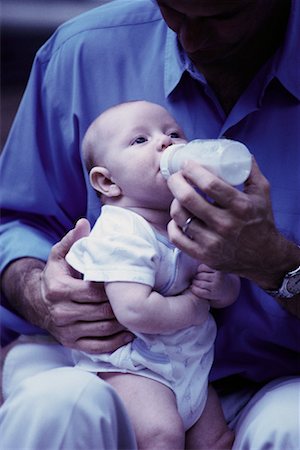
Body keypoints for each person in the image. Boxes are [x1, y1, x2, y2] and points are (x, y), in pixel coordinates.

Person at [0, 0, 299, 449]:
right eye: (173, 11)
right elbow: (15, 220)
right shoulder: (82, 52)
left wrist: (274, 265)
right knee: (58, 405)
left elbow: (219, 288)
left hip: (270, 371)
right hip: (119, 362)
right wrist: (39, 290)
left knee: (291, 426)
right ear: (105, 182)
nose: (191, 39)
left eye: (221, 15)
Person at [65, 100, 240, 449]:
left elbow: (230, 286)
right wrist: (193, 305)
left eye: (174, 133)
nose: (165, 142)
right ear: (107, 181)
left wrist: (220, 285)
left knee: (217, 438)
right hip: (136, 368)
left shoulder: (191, 219)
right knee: (161, 434)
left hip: (189, 367)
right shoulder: (121, 232)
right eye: (140, 140)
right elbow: (135, 310)